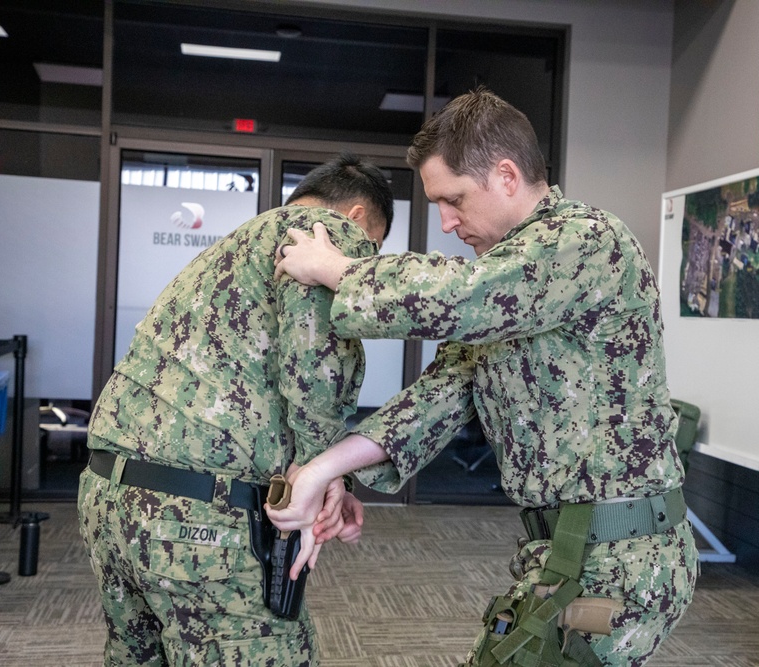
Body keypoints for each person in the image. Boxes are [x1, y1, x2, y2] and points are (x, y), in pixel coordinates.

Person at [268, 88, 698, 666]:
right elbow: (436, 399)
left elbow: (459, 297)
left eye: (454, 200)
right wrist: (321, 470)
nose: (446, 223)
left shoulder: (587, 242)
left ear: (506, 175)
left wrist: (340, 269)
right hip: (564, 550)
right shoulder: (510, 289)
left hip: (622, 557)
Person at [77, 153, 393, 666]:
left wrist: (331, 475)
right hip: (194, 517)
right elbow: (315, 367)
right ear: (356, 218)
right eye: (373, 249)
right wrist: (322, 471)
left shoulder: (233, 249)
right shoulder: (323, 234)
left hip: (108, 499)